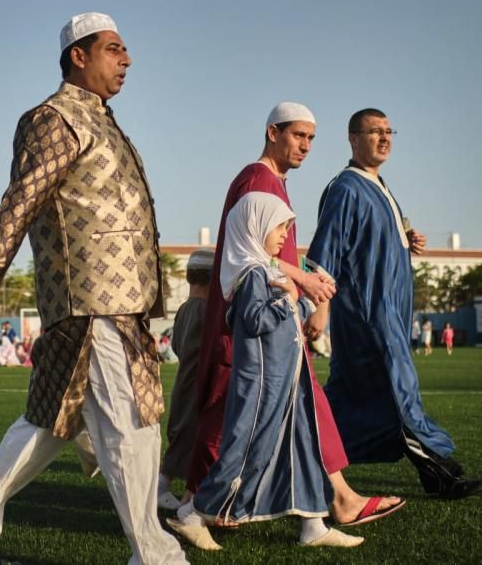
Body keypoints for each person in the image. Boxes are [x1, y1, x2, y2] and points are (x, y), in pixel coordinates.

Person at [0, 13, 188, 565]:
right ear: (79, 56)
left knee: (51, 425)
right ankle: (156, 556)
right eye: (114, 49)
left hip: (119, 304)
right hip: (91, 301)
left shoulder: (103, 122)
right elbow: (19, 204)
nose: (127, 60)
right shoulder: (53, 119)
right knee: (130, 428)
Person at [171, 104, 401, 549]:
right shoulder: (258, 181)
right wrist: (303, 285)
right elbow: (250, 258)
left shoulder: (268, 181)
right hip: (257, 333)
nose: (306, 146)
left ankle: (321, 511)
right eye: (298, 136)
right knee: (236, 419)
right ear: (272, 132)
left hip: (276, 329)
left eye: (312, 138)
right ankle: (196, 505)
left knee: (300, 418)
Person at [306, 107, 482, 500]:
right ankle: (441, 473)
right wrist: (320, 305)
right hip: (368, 315)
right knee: (399, 390)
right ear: (353, 139)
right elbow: (328, 248)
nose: (385, 137)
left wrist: (406, 238)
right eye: (375, 131)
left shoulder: (380, 186)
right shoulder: (346, 187)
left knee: (347, 400)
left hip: (388, 313)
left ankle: (306, 460)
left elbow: (374, 240)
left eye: (389, 131)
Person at [187, 193, 363, 549]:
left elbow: (274, 316)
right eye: (278, 226)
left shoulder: (266, 270)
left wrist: (298, 300)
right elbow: (250, 319)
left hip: (287, 378)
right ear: (255, 226)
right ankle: (193, 513)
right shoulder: (251, 273)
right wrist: (289, 301)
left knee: (301, 445)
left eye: (287, 227)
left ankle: (313, 524)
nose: (285, 235)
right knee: (248, 448)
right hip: (264, 383)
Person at [156, 249, 214, 511]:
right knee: (190, 433)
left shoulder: (184, 309)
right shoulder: (206, 311)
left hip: (184, 379)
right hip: (197, 382)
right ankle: (162, 488)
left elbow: (177, 347)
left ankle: (162, 486)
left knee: (181, 433)